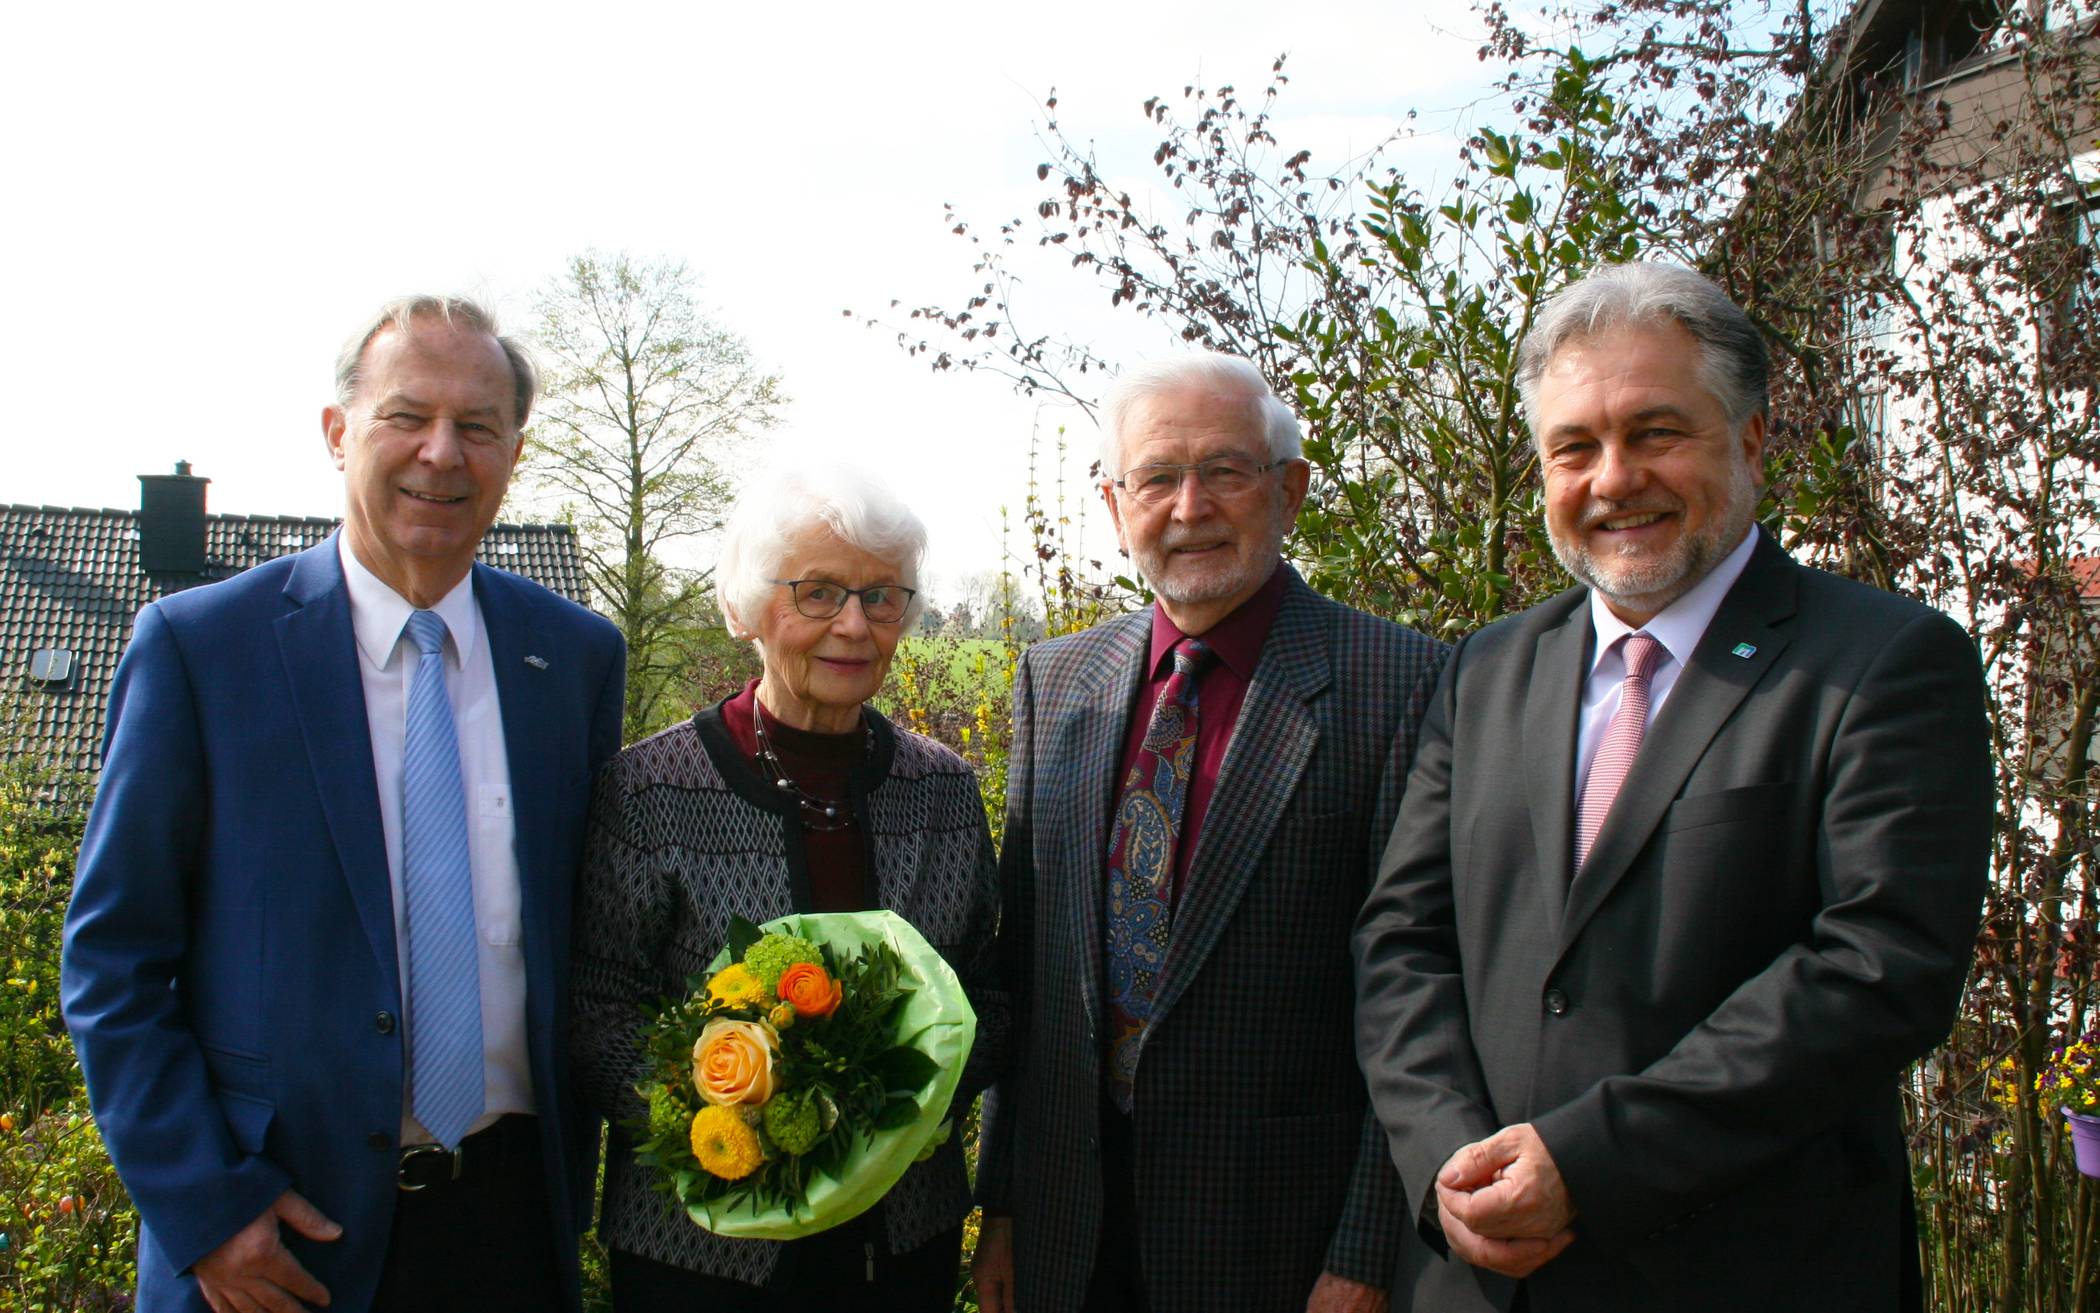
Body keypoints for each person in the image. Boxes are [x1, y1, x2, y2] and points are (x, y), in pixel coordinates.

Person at [1352, 260, 1993, 1311]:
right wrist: (1445, 1159)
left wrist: (1591, 1159)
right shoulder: (1482, 671)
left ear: (1747, 439)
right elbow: (1402, 941)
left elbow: (1881, 965)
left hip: (1747, 1270)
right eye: (1574, 447)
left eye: (1655, 431)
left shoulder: (1884, 663)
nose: (1612, 480)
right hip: (1476, 1275)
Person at [61, 296, 626, 1313]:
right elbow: (112, 962)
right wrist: (205, 1209)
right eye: (407, 416)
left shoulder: (575, 657)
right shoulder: (203, 650)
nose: (441, 454)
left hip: (508, 1231)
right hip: (276, 1237)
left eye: (479, 426)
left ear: (514, 454)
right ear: (337, 433)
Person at [972, 353, 1447, 1313]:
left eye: (1225, 470)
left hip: (1279, 1242)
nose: (1189, 506)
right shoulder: (1054, 681)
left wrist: (1365, 1249)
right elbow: (1021, 973)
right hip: (1073, 1232)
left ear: (1290, 489)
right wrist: (1006, 1203)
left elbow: (1422, 986)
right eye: (1156, 476)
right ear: (1114, 504)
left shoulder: (1402, 683)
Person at [570, 465, 1005, 1313]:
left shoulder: (945, 790)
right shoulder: (651, 788)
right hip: (700, 1255)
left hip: (898, 1244)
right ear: (747, 608)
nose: (854, 623)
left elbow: (990, 982)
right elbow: (597, 1002)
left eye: (882, 596)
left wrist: (901, 1110)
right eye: (818, 592)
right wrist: (721, 1131)